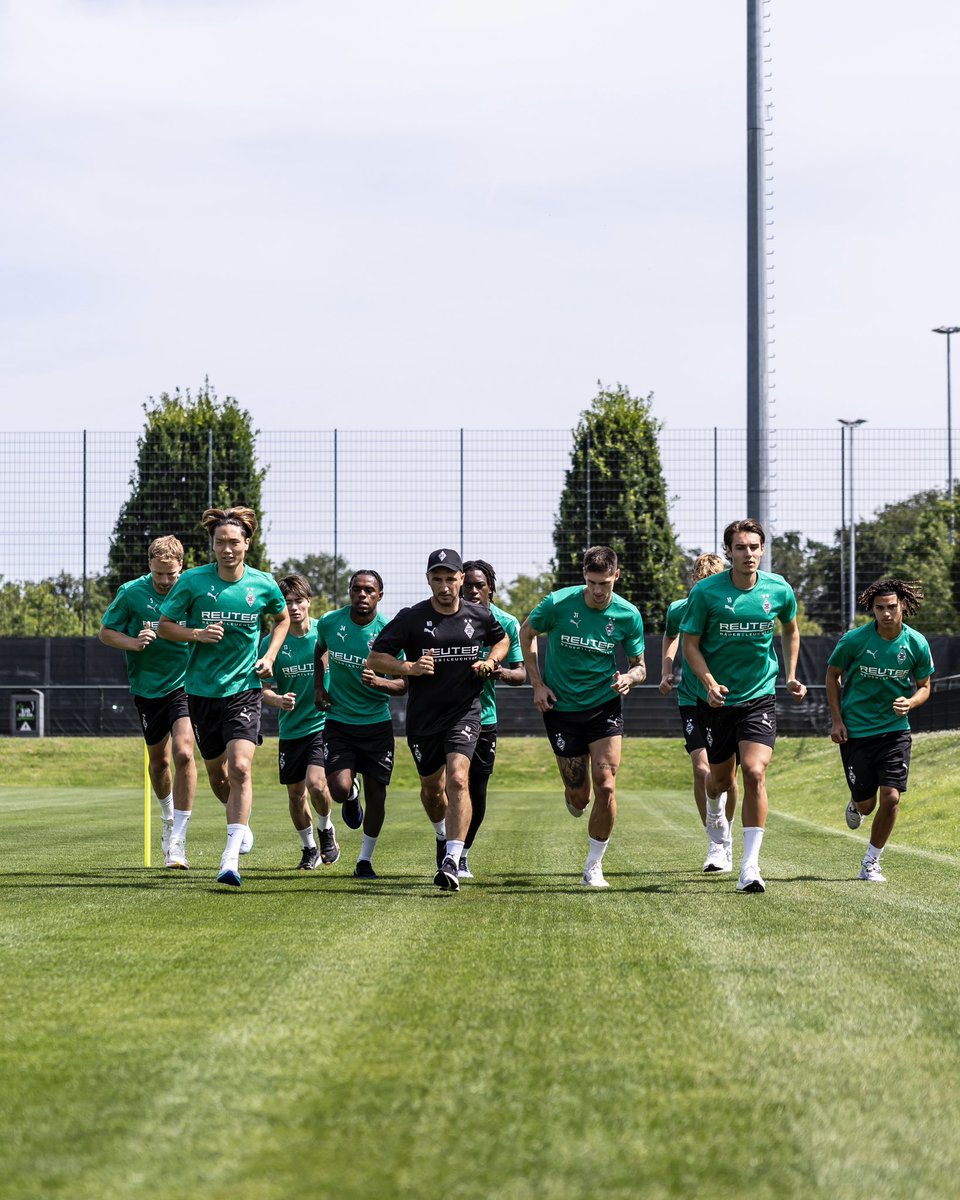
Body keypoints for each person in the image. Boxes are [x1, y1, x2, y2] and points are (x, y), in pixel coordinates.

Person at [157, 506, 289, 889]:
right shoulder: (193, 582)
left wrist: (268, 656)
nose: (227, 549)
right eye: (220, 542)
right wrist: (196, 634)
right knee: (218, 774)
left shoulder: (263, 584)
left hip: (244, 690)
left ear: (247, 543)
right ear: (212, 545)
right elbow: (166, 626)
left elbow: (281, 619)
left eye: (234, 542)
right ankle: (239, 824)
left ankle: (229, 857)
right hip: (200, 692)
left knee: (242, 767)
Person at [366, 549, 509, 892]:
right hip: (423, 719)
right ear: (428, 580)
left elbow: (501, 639)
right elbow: (376, 658)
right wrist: (410, 668)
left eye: (451, 578)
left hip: (464, 713)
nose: (445, 586)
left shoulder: (479, 615)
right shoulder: (411, 618)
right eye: (438, 579)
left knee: (458, 780)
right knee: (433, 791)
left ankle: (453, 859)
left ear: (462, 579)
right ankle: (442, 836)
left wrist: (490, 661)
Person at [681, 518, 806, 894]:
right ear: (729, 552)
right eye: (740, 547)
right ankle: (716, 816)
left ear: (763, 550)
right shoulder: (706, 593)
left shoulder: (779, 589)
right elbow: (690, 644)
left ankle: (750, 866)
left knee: (754, 772)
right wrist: (708, 683)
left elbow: (791, 629)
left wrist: (789, 675)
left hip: (759, 696)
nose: (748, 554)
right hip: (715, 701)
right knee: (719, 780)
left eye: (754, 547)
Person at [519, 546, 646, 889]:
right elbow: (526, 633)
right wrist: (537, 684)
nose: (598, 590)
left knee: (607, 784)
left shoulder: (627, 615)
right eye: (591, 582)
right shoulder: (557, 604)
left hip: (604, 706)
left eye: (605, 582)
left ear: (616, 576)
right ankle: (574, 794)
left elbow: (640, 666)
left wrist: (628, 678)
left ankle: (593, 865)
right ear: (583, 579)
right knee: (580, 797)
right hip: (560, 709)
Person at [825, 578, 933, 883]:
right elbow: (832, 675)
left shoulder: (916, 643)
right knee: (867, 804)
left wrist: (910, 702)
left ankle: (871, 862)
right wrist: (837, 720)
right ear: (872, 609)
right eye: (879, 608)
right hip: (857, 732)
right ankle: (856, 800)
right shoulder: (854, 641)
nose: (886, 613)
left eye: (892, 607)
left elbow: (925, 686)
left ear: (903, 606)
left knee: (891, 798)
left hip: (895, 731)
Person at [99, 535, 197, 869]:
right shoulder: (131, 593)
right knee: (159, 763)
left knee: (184, 752)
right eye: (159, 576)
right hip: (147, 689)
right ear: (149, 568)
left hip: (186, 685)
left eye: (171, 575)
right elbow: (105, 633)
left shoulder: (193, 590)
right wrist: (133, 641)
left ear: (181, 566)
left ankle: (178, 840)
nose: (166, 582)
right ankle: (168, 821)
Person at [314, 570, 407, 880]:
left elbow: (403, 684)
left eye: (370, 590)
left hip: (376, 725)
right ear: (349, 591)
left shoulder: (389, 632)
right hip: (339, 721)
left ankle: (365, 860)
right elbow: (319, 650)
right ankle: (351, 796)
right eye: (357, 589)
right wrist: (319, 687)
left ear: (380, 595)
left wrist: (380, 682)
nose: (362, 595)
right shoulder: (329, 622)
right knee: (338, 790)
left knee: (378, 795)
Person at [659, 552, 739, 873]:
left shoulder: (730, 608)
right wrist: (666, 670)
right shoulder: (680, 608)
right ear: (693, 583)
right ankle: (714, 841)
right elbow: (671, 636)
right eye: (700, 585)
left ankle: (728, 834)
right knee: (700, 767)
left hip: (727, 698)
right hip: (691, 698)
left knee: (728, 775)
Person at [260, 574, 339, 870]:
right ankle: (309, 849)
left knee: (316, 784)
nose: (293, 607)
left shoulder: (326, 632)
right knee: (295, 795)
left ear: (309, 601)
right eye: (287, 602)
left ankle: (326, 828)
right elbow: (262, 690)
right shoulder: (272, 643)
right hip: (291, 729)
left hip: (323, 724)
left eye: (298, 601)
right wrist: (278, 700)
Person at [459, 559, 527, 879]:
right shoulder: (445, 619)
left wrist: (496, 670)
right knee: (449, 785)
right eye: (466, 585)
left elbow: (521, 673)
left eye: (478, 585)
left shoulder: (507, 623)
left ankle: (462, 855)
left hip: (484, 717)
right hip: (447, 716)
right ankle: (448, 848)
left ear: (490, 589)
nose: (472, 591)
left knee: (476, 789)